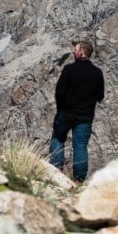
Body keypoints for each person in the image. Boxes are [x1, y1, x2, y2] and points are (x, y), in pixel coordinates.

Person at [49, 39, 104, 183]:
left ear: (81, 52)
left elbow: (59, 92)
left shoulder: (69, 70)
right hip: (85, 116)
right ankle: (78, 181)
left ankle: (56, 172)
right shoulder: (97, 73)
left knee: (58, 137)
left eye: (75, 49)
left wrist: (61, 107)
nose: (73, 52)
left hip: (66, 112)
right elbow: (100, 96)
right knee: (80, 146)